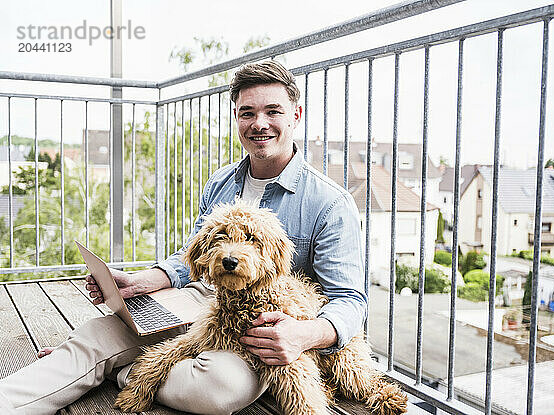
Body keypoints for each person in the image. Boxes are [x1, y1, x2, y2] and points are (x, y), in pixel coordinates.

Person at [0, 60, 366, 415]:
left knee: (221, 388)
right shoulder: (221, 181)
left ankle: (124, 370)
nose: (259, 124)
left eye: (273, 111)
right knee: (95, 338)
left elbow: (350, 299)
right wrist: (144, 281)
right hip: (199, 300)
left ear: (295, 115)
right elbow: (190, 258)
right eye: (247, 113)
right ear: (236, 117)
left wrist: (302, 335)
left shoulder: (330, 202)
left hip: (260, 332)